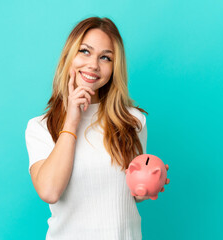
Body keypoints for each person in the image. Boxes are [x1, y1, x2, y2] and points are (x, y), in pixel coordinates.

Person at [25, 16, 170, 240]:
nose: (93, 64)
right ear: (69, 56)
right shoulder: (40, 127)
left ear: (114, 67)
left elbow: (125, 194)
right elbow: (50, 191)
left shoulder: (132, 121)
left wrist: (149, 186)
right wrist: (72, 120)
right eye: (85, 51)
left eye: (105, 57)